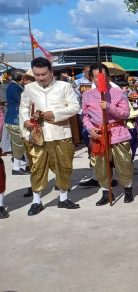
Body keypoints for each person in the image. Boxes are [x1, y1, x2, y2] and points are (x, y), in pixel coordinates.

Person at [19, 57, 81, 216]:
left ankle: (63, 198)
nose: (40, 78)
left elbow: (75, 107)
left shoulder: (64, 86)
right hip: (38, 135)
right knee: (37, 167)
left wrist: (54, 114)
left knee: (64, 166)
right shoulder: (29, 88)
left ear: (51, 71)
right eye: (37, 75)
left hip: (60, 133)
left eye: (43, 74)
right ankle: (36, 201)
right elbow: (23, 107)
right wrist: (26, 120)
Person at [82, 63, 135, 205]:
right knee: (100, 165)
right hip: (98, 134)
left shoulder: (118, 93)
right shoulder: (87, 95)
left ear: (108, 76)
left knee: (124, 162)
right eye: (97, 77)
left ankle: (128, 189)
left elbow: (125, 113)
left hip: (117, 133)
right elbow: (85, 116)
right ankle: (106, 191)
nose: (101, 79)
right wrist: (90, 129)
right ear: (91, 78)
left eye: (104, 76)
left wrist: (110, 106)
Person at [5, 69, 30, 175]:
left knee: (24, 144)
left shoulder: (14, 86)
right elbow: (22, 101)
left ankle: (27, 165)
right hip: (14, 120)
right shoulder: (14, 87)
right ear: (23, 78)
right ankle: (16, 167)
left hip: (16, 119)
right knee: (20, 144)